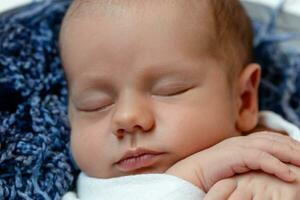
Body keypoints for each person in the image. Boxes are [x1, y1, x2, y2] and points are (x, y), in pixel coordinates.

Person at [59, 0, 300, 199]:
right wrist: (191, 177)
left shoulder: (282, 147)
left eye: (169, 90)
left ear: (244, 99)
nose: (127, 117)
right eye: (95, 104)